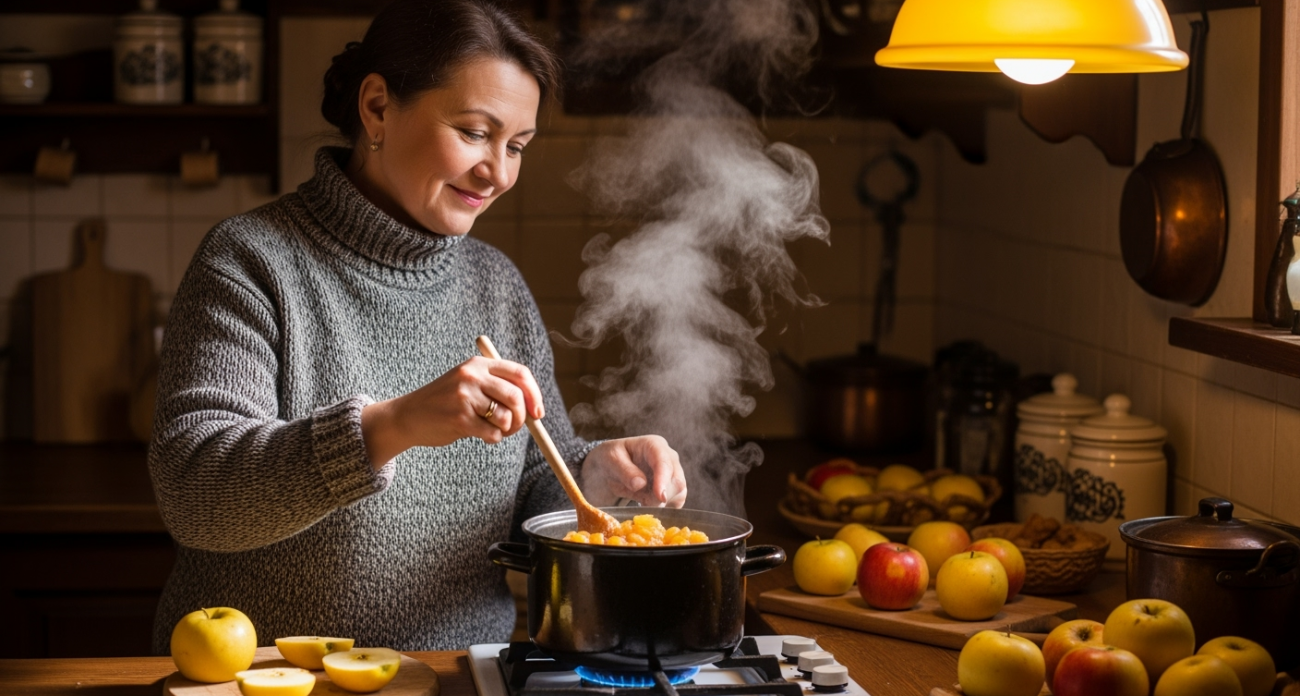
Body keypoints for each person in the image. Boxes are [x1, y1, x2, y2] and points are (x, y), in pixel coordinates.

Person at [148, 0, 687, 654]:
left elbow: (528, 492)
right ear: (376, 108)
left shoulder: (495, 282)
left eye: (516, 146)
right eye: (473, 133)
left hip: (459, 676)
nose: (499, 173)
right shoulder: (252, 260)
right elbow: (194, 497)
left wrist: (593, 473)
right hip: (270, 677)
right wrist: (390, 427)